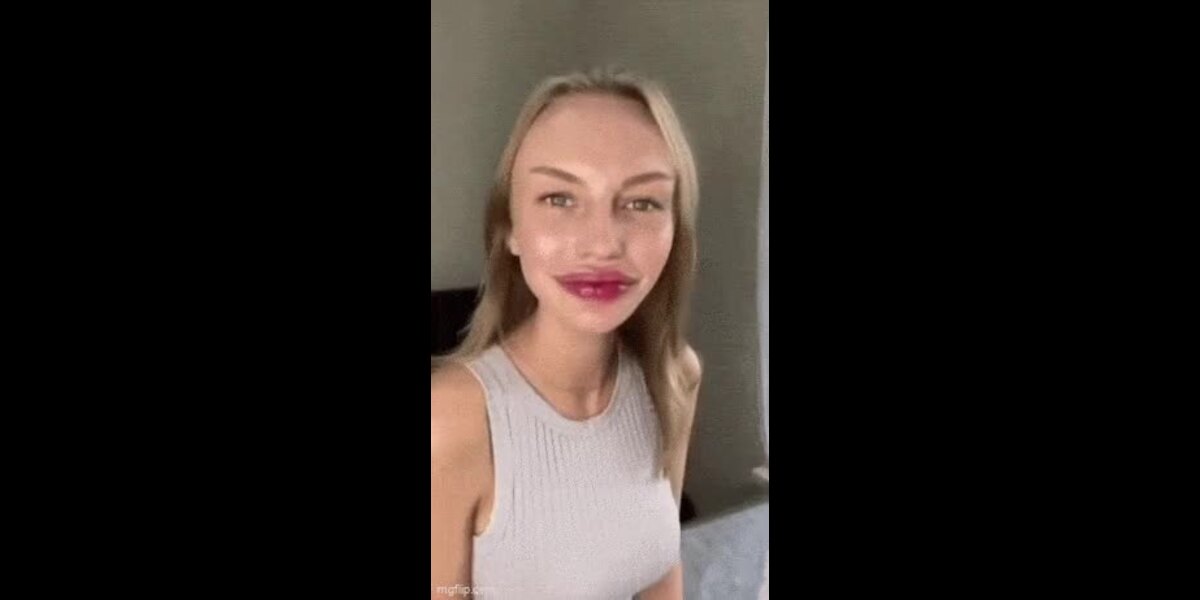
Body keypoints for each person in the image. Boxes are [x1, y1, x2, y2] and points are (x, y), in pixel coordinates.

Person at [431, 67, 703, 600]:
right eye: (559, 198)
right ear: (509, 230)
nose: (602, 243)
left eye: (642, 202)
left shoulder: (675, 377)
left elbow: (658, 568)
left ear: (675, 231)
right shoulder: (450, 422)